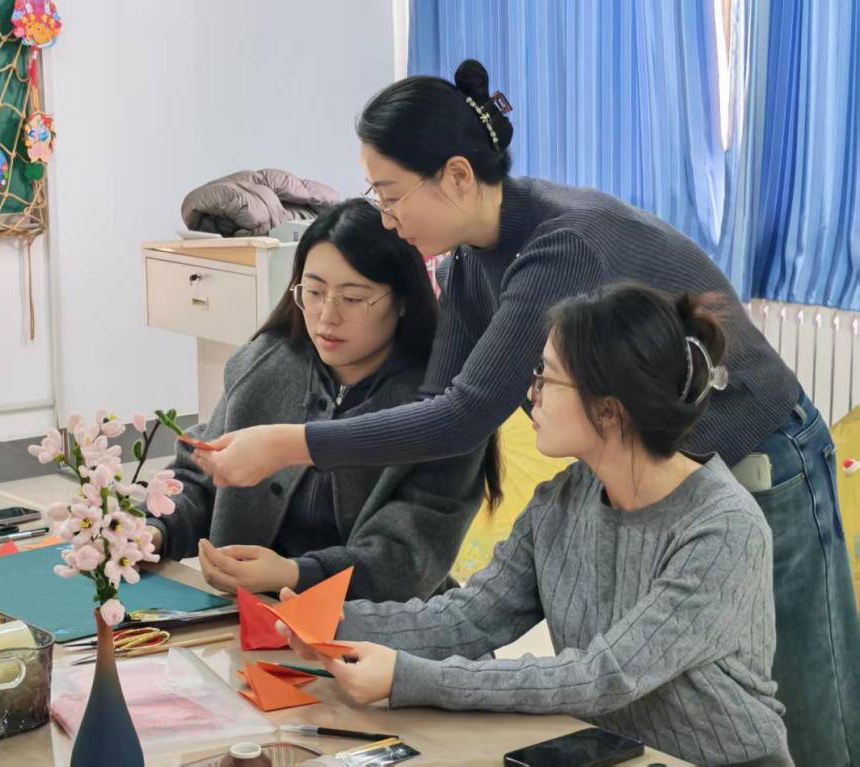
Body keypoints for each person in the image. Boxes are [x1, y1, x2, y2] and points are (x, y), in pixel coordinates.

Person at [195, 61, 858, 765]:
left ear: (456, 176)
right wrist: (310, 610)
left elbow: (464, 416)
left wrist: (291, 444)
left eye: (390, 195)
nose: (385, 218)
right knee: (663, 705)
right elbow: (440, 417)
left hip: (758, 454)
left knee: (812, 714)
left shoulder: (563, 247)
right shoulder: (474, 276)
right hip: (640, 480)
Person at [280, 284, 792, 766]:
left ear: (608, 409)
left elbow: (604, 675)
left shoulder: (723, 529)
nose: (532, 393)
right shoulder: (562, 499)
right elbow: (471, 618)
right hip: (611, 754)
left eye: (547, 377)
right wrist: (331, 623)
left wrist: (409, 678)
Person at [146, 199, 494, 601]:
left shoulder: (444, 409)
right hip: (249, 614)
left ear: (402, 301)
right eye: (313, 292)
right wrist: (155, 531)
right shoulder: (263, 364)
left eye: (353, 299)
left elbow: (408, 559)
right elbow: (200, 478)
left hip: (385, 628)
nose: (327, 316)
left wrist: (295, 574)